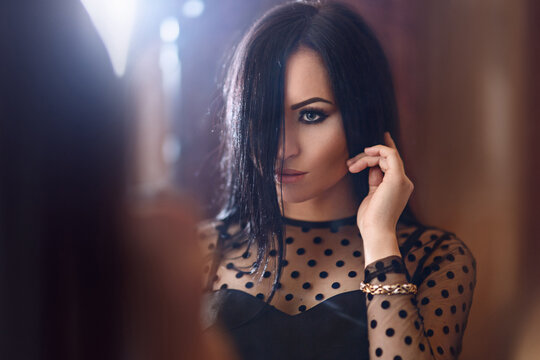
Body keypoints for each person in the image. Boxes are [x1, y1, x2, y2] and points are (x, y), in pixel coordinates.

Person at [198, 1, 477, 359]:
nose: (282, 148)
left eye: (311, 115)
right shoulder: (202, 252)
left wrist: (379, 239)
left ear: (362, 116)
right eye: (262, 115)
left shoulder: (436, 259)